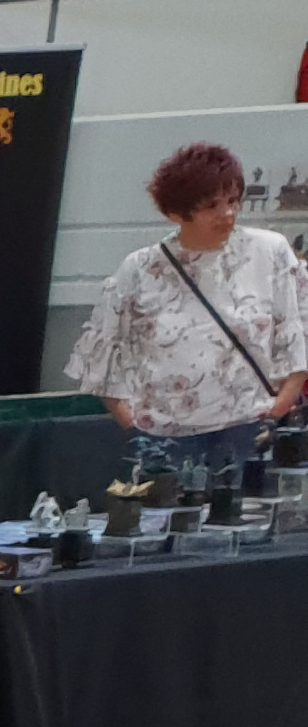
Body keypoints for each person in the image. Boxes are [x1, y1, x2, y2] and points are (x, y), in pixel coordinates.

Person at [67, 138, 308, 481]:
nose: (227, 213)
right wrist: (132, 424)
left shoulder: (270, 251)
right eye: (211, 206)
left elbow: (299, 328)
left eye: (233, 200)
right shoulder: (139, 269)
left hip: (252, 428)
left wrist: (278, 408)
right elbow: (102, 355)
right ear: (175, 214)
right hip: (165, 437)